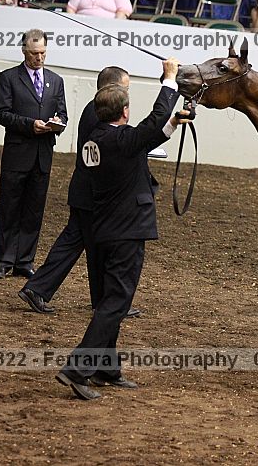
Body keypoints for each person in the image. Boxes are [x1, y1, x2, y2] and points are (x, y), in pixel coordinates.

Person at [55, 58, 192, 400]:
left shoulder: (97, 139)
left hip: (102, 230)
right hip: (126, 232)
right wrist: (170, 80)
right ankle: (78, 368)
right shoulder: (122, 141)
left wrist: (172, 123)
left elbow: (147, 136)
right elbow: (151, 123)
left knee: (107, 301)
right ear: (125, 112)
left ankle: (106, 367)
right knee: (116, 303)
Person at [18, 67, 143, 319]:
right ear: (112, 88)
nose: (127, 94)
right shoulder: (100, 114)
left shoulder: (92, 110)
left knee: (78, 243)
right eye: (125, 88)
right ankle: (98, 300)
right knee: (93, 246)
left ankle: (42, 289)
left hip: (85, 191)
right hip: (94, 193)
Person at [0, 28, 67, 279]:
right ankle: (3, 260)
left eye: (42, 53)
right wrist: (29, 125)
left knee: (34, 210)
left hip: (43, 154)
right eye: (34, 53)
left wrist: (57, 123)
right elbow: (1, 113)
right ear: (24, 51)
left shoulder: (56, 81)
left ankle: (24, 260)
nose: (39, 58)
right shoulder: (8, 78)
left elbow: (63, 114)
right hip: (18, 153)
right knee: (9, 207)